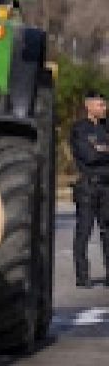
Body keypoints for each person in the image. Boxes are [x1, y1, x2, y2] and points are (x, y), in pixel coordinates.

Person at [70, 89, 109, 287]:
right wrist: (102, 151)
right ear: (89, 106)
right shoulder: (79, 129)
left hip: (106, 187)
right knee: (84, 232)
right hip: (87, 186)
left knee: (107, 232)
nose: (105, 108)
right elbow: (88, 156)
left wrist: (100, 150)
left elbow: (96, 154)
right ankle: (82, 276)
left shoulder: (106, 127)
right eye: (101, 105)